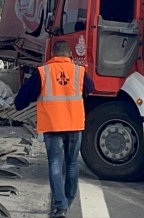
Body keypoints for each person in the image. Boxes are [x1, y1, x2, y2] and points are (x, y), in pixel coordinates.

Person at [14, 41, 94, 218]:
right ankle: (68, 199)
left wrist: (20, 104)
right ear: (69, 55)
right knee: (72, 163)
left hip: (53, 126)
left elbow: (22, 99)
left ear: (53, 55)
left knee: (55, 165)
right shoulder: (79, 72)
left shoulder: (43, 72)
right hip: (74, 125)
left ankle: (61, 206)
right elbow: (90, 89)